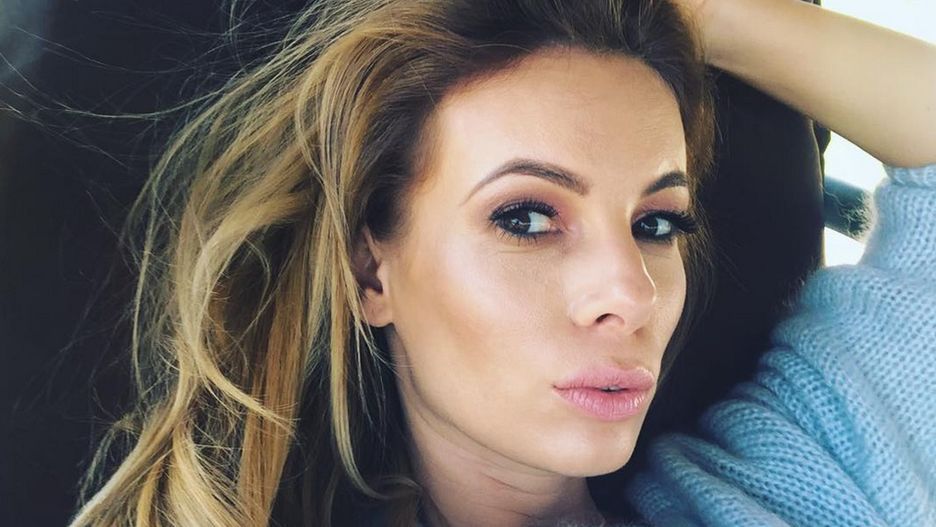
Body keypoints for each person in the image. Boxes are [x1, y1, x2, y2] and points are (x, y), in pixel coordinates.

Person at [67, 0, 935, 526]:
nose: (630, 293)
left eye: (657, 222)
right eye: (526, 217)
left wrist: (698, 16)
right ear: (372, 272)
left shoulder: (777, 489)